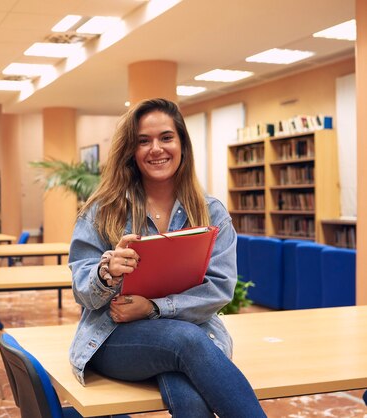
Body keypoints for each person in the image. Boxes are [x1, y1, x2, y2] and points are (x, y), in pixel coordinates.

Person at [68, 98, 266, 417]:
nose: (156, 149)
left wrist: (155, 308)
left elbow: (219, 289)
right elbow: (81, 290)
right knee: (184, 340)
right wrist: (107, 274)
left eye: (166, 138)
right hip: (115, 338)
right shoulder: (101, 211)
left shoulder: (211, 212)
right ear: (131, 151)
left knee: (190, 398)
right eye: (143, 141)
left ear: (182, 145)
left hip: (195, 338)